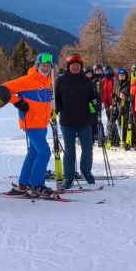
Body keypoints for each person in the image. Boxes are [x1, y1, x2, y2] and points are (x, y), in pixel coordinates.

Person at [3, 52, 56, 197]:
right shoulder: (28, 80)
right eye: (43, 65)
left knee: (33, 154)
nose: (45, 68)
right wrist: (18, 103)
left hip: (42, 125)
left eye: (48, 66)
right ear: (37, 65)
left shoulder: (47, 81)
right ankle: (38, 185)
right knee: (44, 152)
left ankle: (23, 184)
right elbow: (3, 89)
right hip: (31, 124)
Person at [55, 54, 97, 186]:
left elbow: (93, 98)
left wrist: (96, 103)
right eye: (72, 65)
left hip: (84, 121)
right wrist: (53, 112)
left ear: (81, 67)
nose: (75, 67)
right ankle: (69, 176)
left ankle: (86, 172)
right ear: (68, 66)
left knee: (87, 148)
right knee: (69, 150)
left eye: (77, 65)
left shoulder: (86, 81)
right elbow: (57, 101)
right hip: (67, 122)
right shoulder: (60, 81)